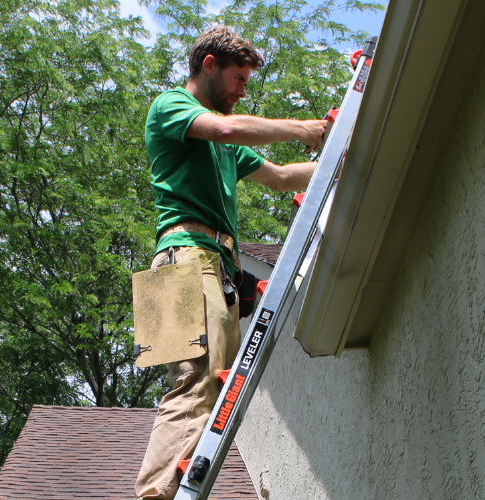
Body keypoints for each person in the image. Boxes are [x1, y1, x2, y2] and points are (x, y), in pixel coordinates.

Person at [135, 25, 327, 500]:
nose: (243, 89)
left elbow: (281, 176)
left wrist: (341, 159)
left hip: (198, 268)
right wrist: (303, 129)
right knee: (194, 387)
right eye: (239, 78)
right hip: (182, 262)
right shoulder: (172, 107)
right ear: (209, 66)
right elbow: (224, 126)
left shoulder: (223, 148)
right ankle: (155, 495)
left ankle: (167, 490)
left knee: (200, 390)